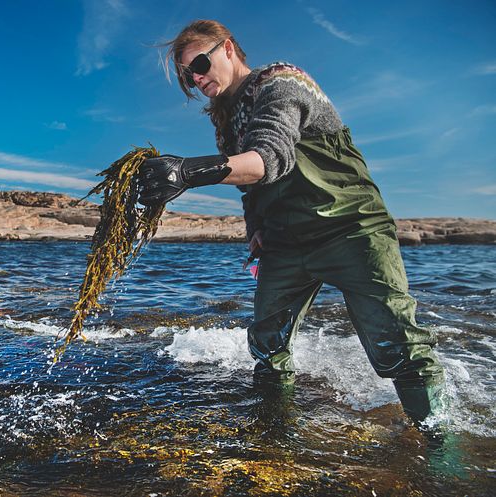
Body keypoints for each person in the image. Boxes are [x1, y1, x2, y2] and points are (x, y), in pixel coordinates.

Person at [137, 19, 445, 423]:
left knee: (398, 347)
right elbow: (251, 189)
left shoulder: (282, 83)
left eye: (198, 64)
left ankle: (441, 450)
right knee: (268, 344)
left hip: (351, 228)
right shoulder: (226, 123)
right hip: (285, 242)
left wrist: (189, 172)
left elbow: (269, 156)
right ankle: (274, 434)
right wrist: (257, 230)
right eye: (186, 77)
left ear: (227, 48)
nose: (196, 80)